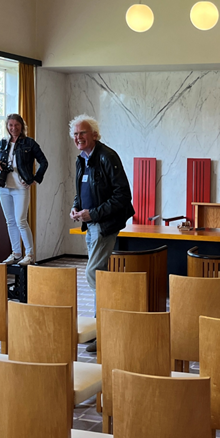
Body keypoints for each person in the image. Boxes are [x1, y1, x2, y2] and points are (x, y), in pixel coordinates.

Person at [69, 114, 134, 353]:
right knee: (100, 274)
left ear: (94, 135)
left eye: (83, 133)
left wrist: (93, 214)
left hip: (104, 224)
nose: (78, 137)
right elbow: (81, 191)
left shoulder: (108, 156)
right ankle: (101, 328)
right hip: (90, 223)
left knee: (94, 273)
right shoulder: (82, 159)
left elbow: (122, 196)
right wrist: (76, 207)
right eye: (75, 134)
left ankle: (106, 329)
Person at [0, 113, 49, 266]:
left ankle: (29, 254)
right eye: (10, 125)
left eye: (16, 125)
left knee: (21, 221)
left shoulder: (29, 143)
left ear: (22, 126)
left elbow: (44, 162)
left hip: (21, 187)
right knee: (10, 221)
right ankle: (16, 253)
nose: (13, 128)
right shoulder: (3, 143)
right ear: (7, 126)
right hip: (4, 186)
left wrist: (35, 179)